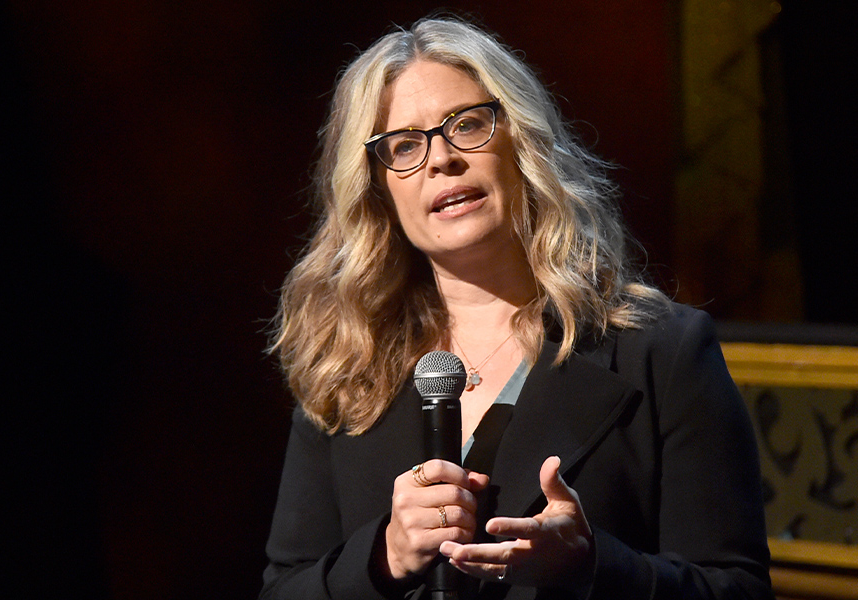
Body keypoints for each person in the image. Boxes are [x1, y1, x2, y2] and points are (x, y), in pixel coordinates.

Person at [261, 16, 772, 600]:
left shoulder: (661, 352)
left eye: (468, 124)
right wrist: (384, 558)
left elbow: (738, 590)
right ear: (376, 187)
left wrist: (594, 566)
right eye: (403, 145)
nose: (441, 159)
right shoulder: (347, 366)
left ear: (521, 141)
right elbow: (284, 589)